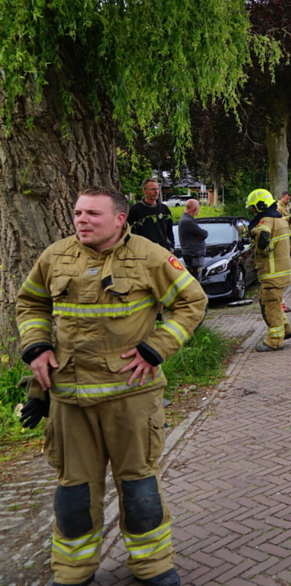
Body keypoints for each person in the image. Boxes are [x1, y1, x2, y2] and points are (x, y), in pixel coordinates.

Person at [16, 186, 207, 586]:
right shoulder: (55, 256)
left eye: (92, 214)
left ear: (119, 219)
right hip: (69, 399)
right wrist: (36, 348)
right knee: (74, 492)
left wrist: (156, 348)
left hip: (130, 397)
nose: (81, 220)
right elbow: (31, 303)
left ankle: (152, 566)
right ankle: (72, 572)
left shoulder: (150, 256)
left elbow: (191, 301)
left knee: (139, 487)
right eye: (77, 213)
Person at [245, 189, 291, 351]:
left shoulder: (266, 220)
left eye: (253, 208)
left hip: (271, 271)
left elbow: (263, 236)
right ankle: (286, 330)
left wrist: (260, 250)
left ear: (261, 206)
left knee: (270, 304)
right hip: (282, 270)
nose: (252, 211)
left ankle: (274, 340)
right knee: (275, 302)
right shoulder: (279, 219)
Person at [127, 178, 175, 252]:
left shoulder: (164, 209)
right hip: (144, 251)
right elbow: (130, 230)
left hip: (163, 250)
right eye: (152, 189)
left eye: (157, 189)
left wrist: (172, 246)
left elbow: (169, 230)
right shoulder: (135, 209)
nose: (156, 192)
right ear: (144, 191)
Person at [177, 199, 208, 280]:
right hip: (193, 255)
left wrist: (199, 236)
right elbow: (204, 234)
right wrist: (199, 236)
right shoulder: (188, 221)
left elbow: (200, 234)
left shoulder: (187, 219)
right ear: (195, 209)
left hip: (193, 254)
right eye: (198, 207)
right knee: (195, 279)